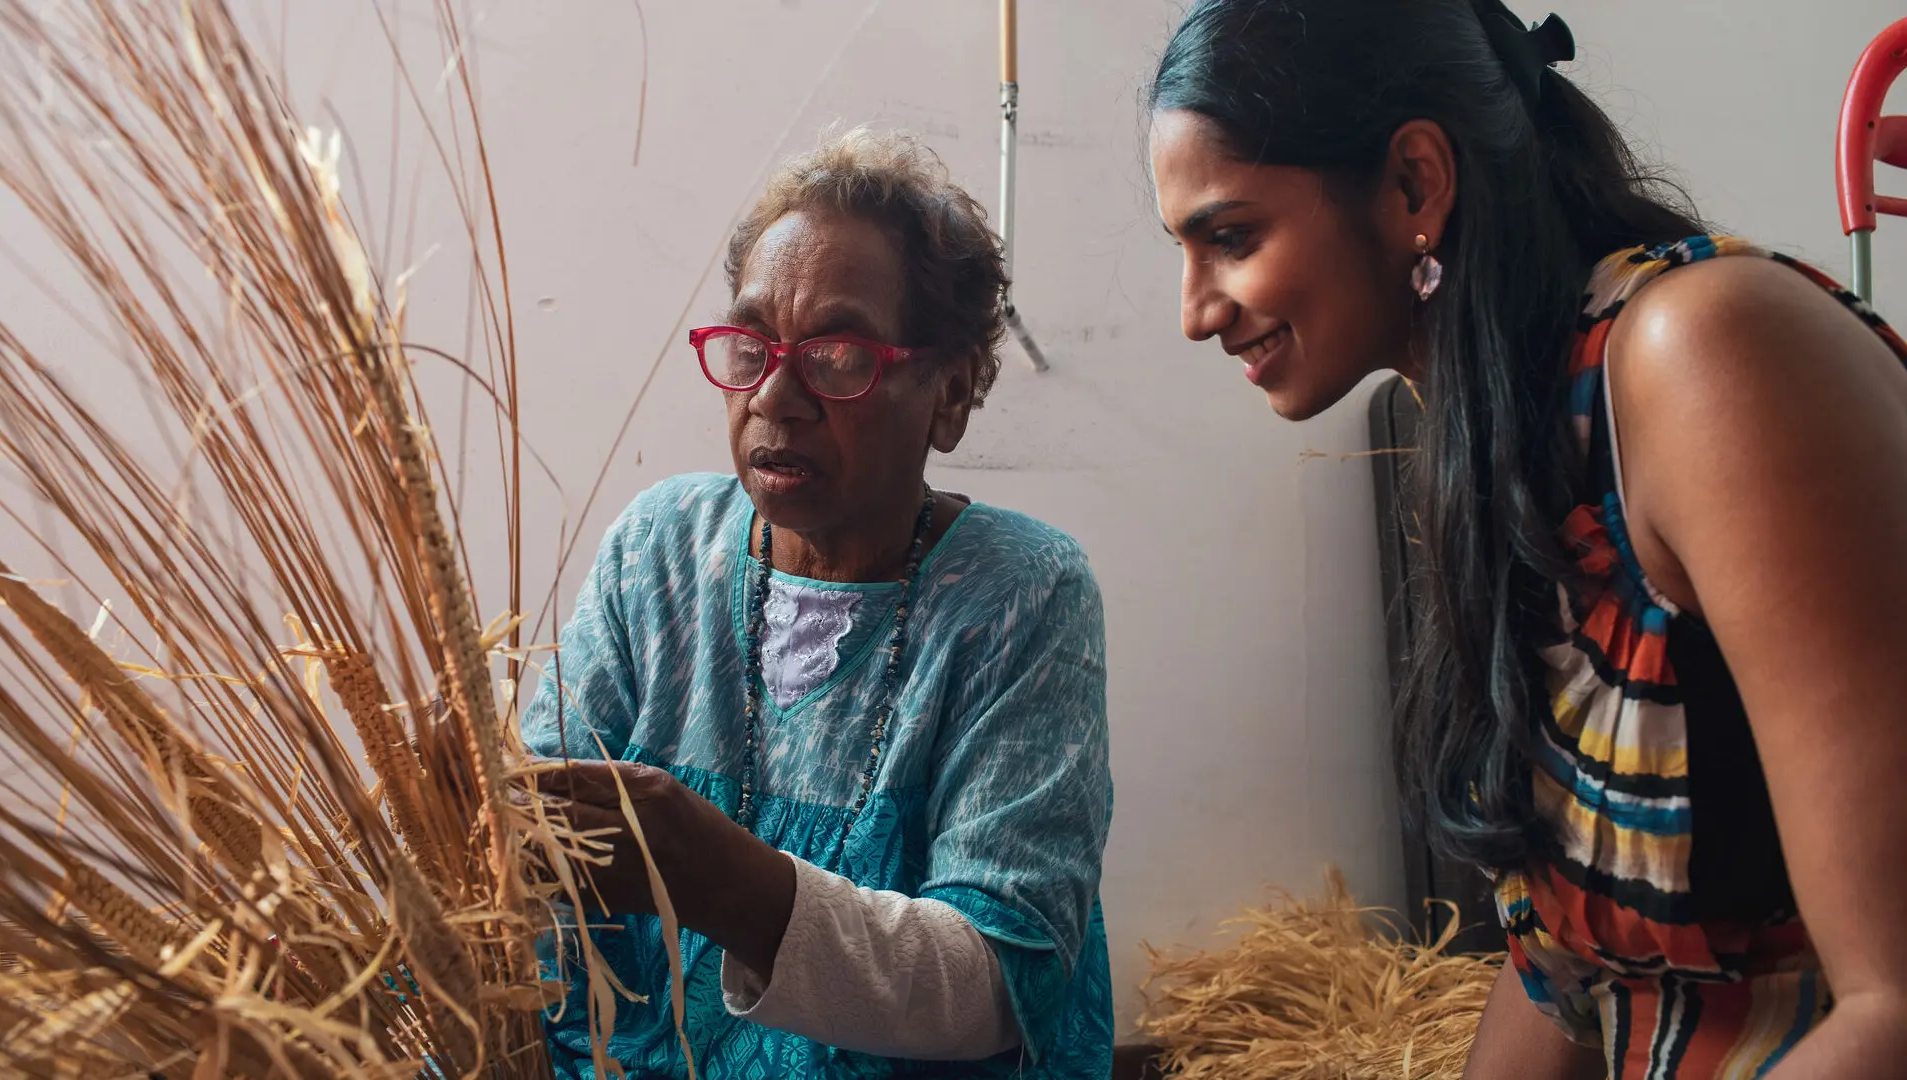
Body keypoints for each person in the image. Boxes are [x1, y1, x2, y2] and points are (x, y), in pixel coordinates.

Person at [1145, 1, 1907, 1077]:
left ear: (1415, 183)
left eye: (1231, 237)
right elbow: (1562, 968)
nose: (1194, 311)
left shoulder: (1703, 354)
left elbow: (1897, 1003)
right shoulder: (1502, 444)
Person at [521, 127, 1114, 1079]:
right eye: (750, 345)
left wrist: (721, 877)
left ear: (951, 391)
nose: (777, 396)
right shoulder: (659, 551)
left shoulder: (1020, 594)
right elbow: (533, 864)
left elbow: (1002, 981)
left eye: (837, 354)